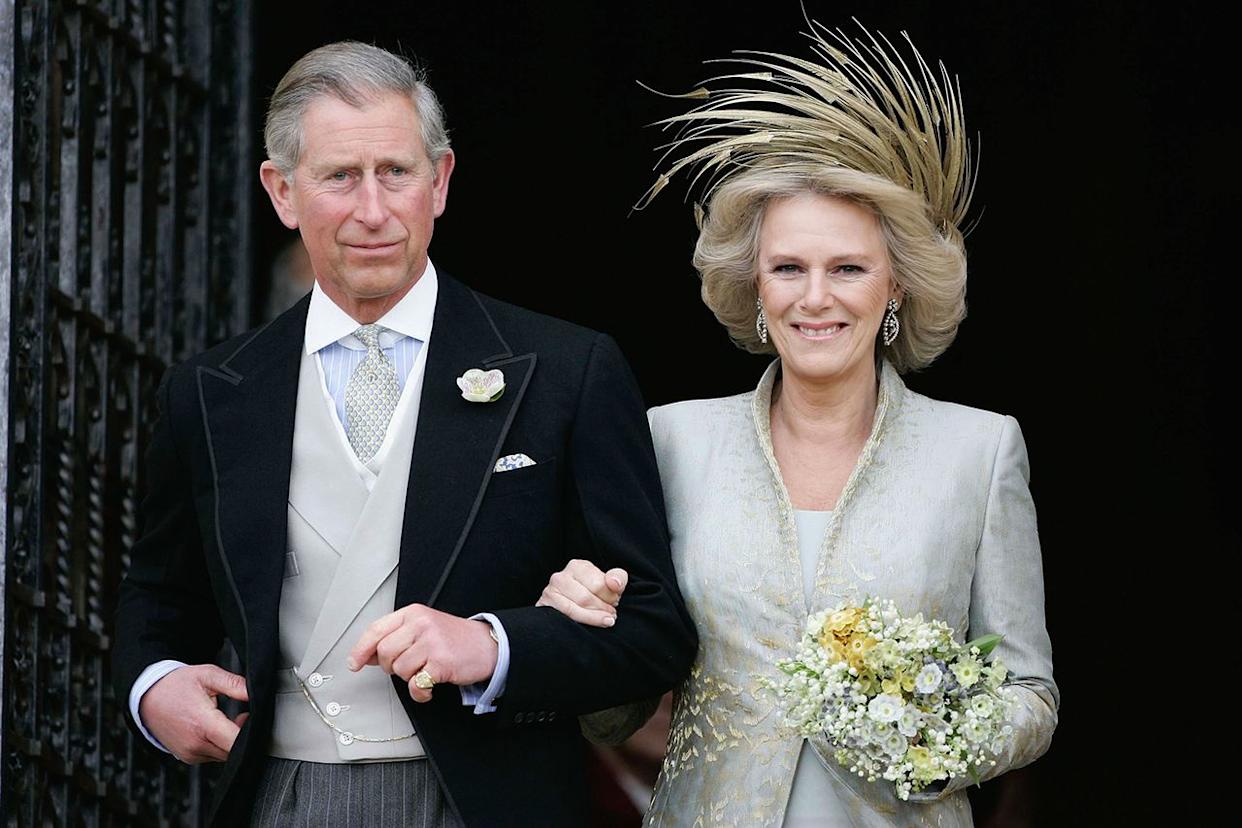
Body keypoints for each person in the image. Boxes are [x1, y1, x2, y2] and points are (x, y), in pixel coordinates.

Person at [111, 41, 696, 827]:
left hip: (489, 799)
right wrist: (155, 687)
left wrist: (496, 647)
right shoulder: (211, 393)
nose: (374, 210)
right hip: (284, 797)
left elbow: (655, 632)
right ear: (282, 192)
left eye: (396, 172)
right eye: (339, 177)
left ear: (441, 181)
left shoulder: (568, 371)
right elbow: (158, 596)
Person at [536, 22, 1059, 827]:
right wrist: (582, 633)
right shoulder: (672, 441)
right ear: (755, 286)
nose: (816, 298)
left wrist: (946, 738)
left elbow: (1032, 694)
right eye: (789, 268)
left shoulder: (980, 451)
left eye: (848, 268)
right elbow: (616, 713)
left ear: (895, 289)